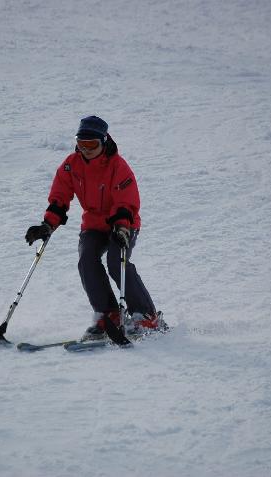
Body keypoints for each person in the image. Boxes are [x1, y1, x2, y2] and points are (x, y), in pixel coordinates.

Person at [25, 116, 164, 340]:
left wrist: (122, 228)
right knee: (86, 261)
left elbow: (126, 201)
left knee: (116, 262)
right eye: (81, 144)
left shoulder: (118, 167)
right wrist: (47, 224)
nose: (86, 150)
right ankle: (108, 315)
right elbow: (60, 197)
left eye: (91, 144)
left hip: (123, 224)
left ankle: (146, 316)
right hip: (93, 225)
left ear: (104, 141)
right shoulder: (71, 165)